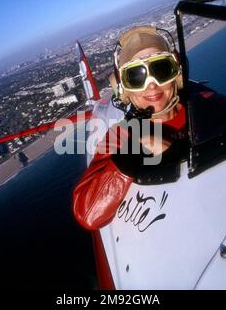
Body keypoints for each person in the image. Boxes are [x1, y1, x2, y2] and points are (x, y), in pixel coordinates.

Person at [73, 26, 188, 231]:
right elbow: (87, 213)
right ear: (122, 88)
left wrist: (177, 151)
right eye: (135, 77)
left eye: (161, 69)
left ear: (176, 72)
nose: (151, 85)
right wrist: (134, 150)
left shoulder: (205, 102)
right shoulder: (122, 135)